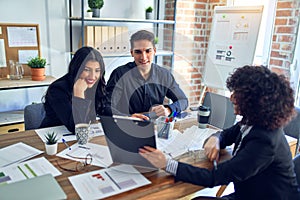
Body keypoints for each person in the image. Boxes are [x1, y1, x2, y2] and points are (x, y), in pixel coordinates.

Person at [139, 65, 300, 200]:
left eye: (238, 94)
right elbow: (226, 134)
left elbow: (215, 177)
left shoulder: (266, 141)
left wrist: (167, 164)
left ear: (255, 101)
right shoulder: (253, 121)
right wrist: (216, 138)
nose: (231, 98)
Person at [103, 30, 188, 120]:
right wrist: (129, 117)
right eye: (138, 52)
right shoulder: (119, 74)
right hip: (127, 126)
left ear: (154, 51)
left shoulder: (164, 75)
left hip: (156, 127)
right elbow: (106, 107)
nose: (143, 57)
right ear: (132, 53)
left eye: (148, 51)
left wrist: (169, 109)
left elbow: (183, 101)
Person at [40, 47, 106, 133]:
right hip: (54, 136)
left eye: (97, 71)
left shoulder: (94, 86)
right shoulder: (58, 89)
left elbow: (106, 110)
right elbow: (77, 127)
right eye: (87, 70)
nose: (92, 76)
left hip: (83, 137)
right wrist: (79, 94)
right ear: (77, 68)